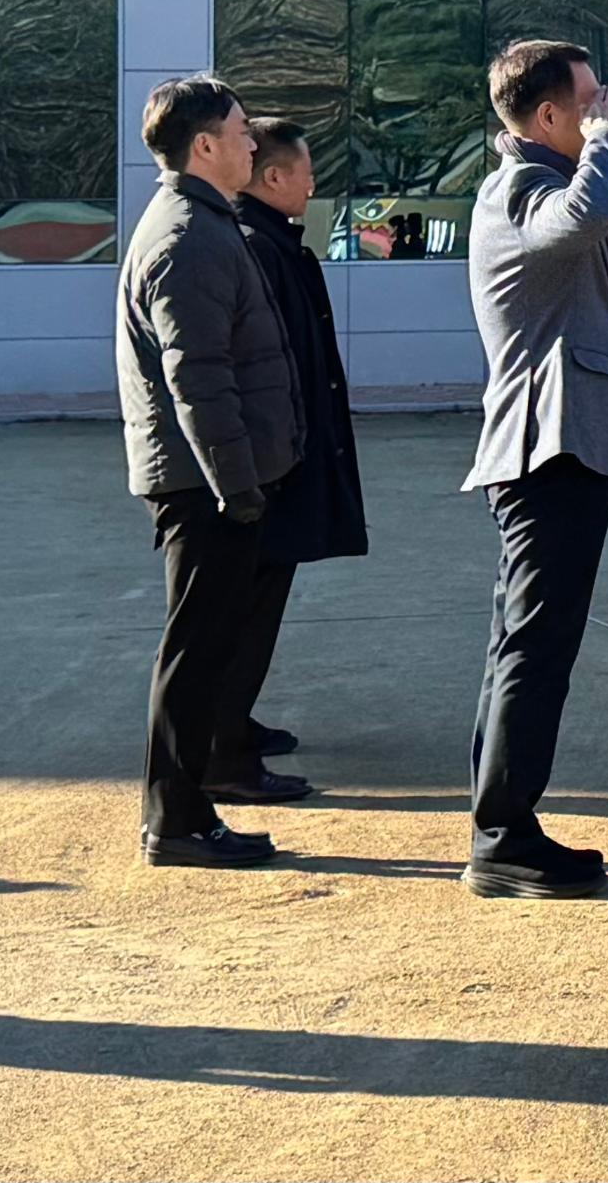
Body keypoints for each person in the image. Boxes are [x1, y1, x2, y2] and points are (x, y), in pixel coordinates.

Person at [460, 38, 608, 901]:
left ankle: (503, 825)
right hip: (548, 451)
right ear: (547, 117)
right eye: (589, 99)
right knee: (535, 649)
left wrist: (598, 143)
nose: (607, 105)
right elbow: (582, 220)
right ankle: (502, 838)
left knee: (524, 645)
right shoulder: (524, 191)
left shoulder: (530, 181)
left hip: (557, 448)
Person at [113, 75, 302, 871]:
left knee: (203, 647)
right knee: (194, 653)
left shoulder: (204, 221)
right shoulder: (189, 235)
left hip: (212, 478)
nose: (253, 142)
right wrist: (237, 486)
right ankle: (177, 819)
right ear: (203, 146)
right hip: (205, 485)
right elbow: (200, 380)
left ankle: (186, 810)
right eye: (241, 130)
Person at [215, 117, 368, 807]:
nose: (313, 184)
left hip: (282, 458)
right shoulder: (257, 248)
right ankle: (222, 747)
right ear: (274, 178)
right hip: (269, 466)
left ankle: (232, 723)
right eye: (305, 171)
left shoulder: (274, 243)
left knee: (258, 601)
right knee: (243, 608)